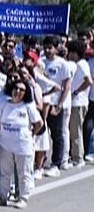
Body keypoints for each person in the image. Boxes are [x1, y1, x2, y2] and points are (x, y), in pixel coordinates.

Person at [0, 78, 43, 208]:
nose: (18, 91)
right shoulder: (3, 104)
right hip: (5, 144)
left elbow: (39, 123)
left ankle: (23, 197)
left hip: (23, 146)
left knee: (23, 173)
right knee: (4, 173)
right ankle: (2, 196)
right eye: (16, 88)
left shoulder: (28, 106)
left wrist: (31, 134)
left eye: (22, 90)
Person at [40, 35, 73, 176]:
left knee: (57, 134)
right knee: (41, 134)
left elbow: (66, 86)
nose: (47, 50)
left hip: (55, 104)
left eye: (50, 48)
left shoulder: (62, 64)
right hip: (42, 103)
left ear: (56, 48)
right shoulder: (40, 62)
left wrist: (59, 105)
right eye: (45, 47)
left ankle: (56, 163)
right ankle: (41, 163)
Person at [65, 40, 91, 168]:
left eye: (72, 52)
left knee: (76, 131)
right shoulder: (79, 64)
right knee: (73, 130)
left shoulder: (81, 64)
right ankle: (75, 155)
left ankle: (78, 157)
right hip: (76, 102)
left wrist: (76, 91)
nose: (69, 55)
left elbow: (88, 81)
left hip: (79, 102)